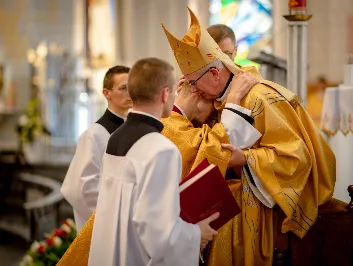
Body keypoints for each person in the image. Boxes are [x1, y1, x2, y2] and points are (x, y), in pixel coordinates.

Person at [162, 7, 336, 265]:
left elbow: (297, 158)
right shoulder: (216, 97)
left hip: (255, 209)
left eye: (193, 81)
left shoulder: (259, 98)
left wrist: (246, 159)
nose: (192, 89)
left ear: (214, 73)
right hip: (225, 204)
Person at [58, 58, 219, 266]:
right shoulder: (161, 149)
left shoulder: (116, 137)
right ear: (164, 94)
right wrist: (196, 233)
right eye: (172, 92)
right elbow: (158, 233)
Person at [60, 65, 132, 232]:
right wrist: (118, 210)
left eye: (132, 87)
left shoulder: (133, 130)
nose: (130, 93)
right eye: (123, 88)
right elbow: (82, 189)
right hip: (108, 225)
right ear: (107, 93)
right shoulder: (94, 135)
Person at [163, 74, 261, 180]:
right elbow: (216, 149)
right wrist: (234, 98)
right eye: (216, 102)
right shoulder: (169, 124)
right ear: (199, 92)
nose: (217, 112)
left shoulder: (172, 119)